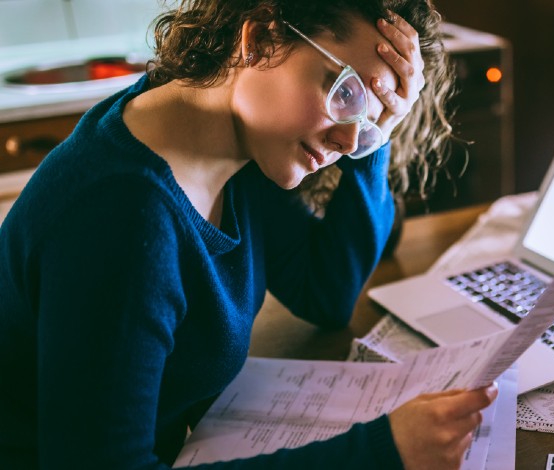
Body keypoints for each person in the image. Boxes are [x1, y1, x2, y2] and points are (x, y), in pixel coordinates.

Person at [0, 0, 496, 468]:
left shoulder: (227, 144)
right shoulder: (123, 217)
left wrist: (372, 145)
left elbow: (325, 292)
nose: (348, 142)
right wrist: (382, 453)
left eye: (370, 118)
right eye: (345, 92)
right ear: (259, 38)